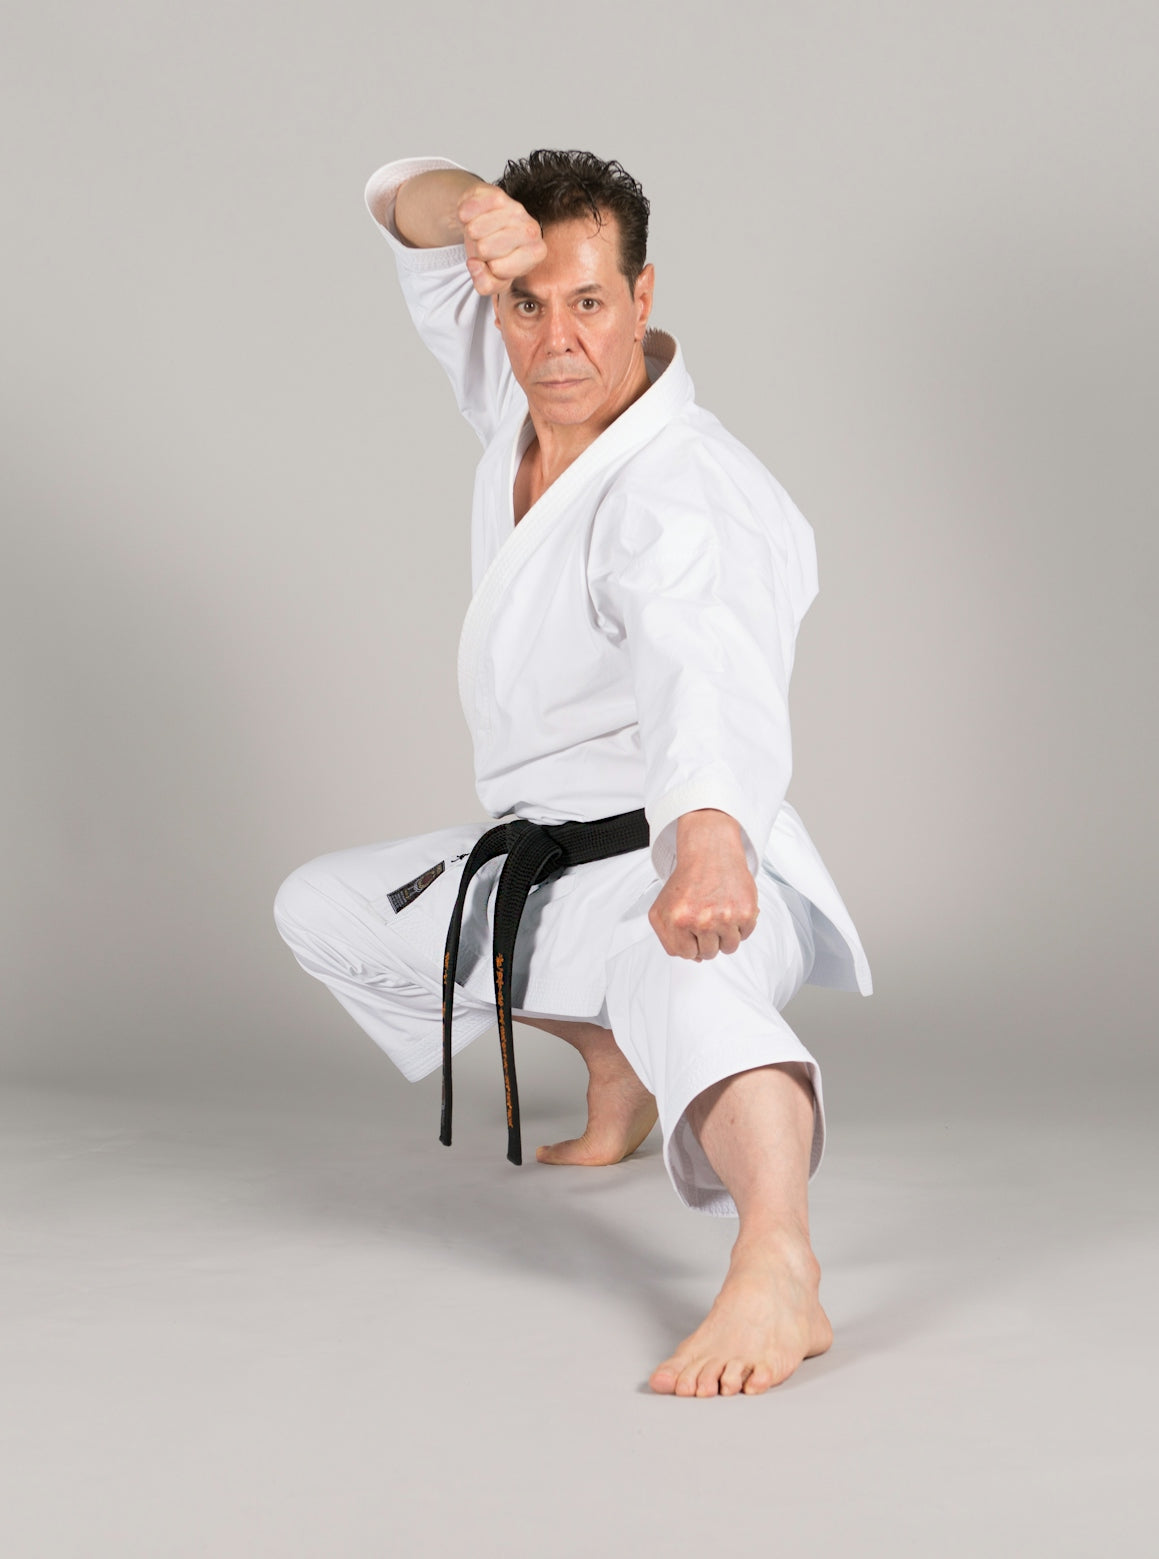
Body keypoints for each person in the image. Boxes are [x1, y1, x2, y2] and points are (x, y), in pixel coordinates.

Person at [274, 149, 873, 1397]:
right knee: (321, 907)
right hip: (550, 853)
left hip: (677, 855)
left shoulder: (679, 490)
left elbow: (706, 662)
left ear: (644, 296)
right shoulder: (521, 381)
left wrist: (709, 835)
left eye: (587, 301)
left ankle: (780, 1263)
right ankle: (612, 1053)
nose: (556, 337)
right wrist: (468, 215)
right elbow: (395, 196)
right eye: (526, 301)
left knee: (704, 997)